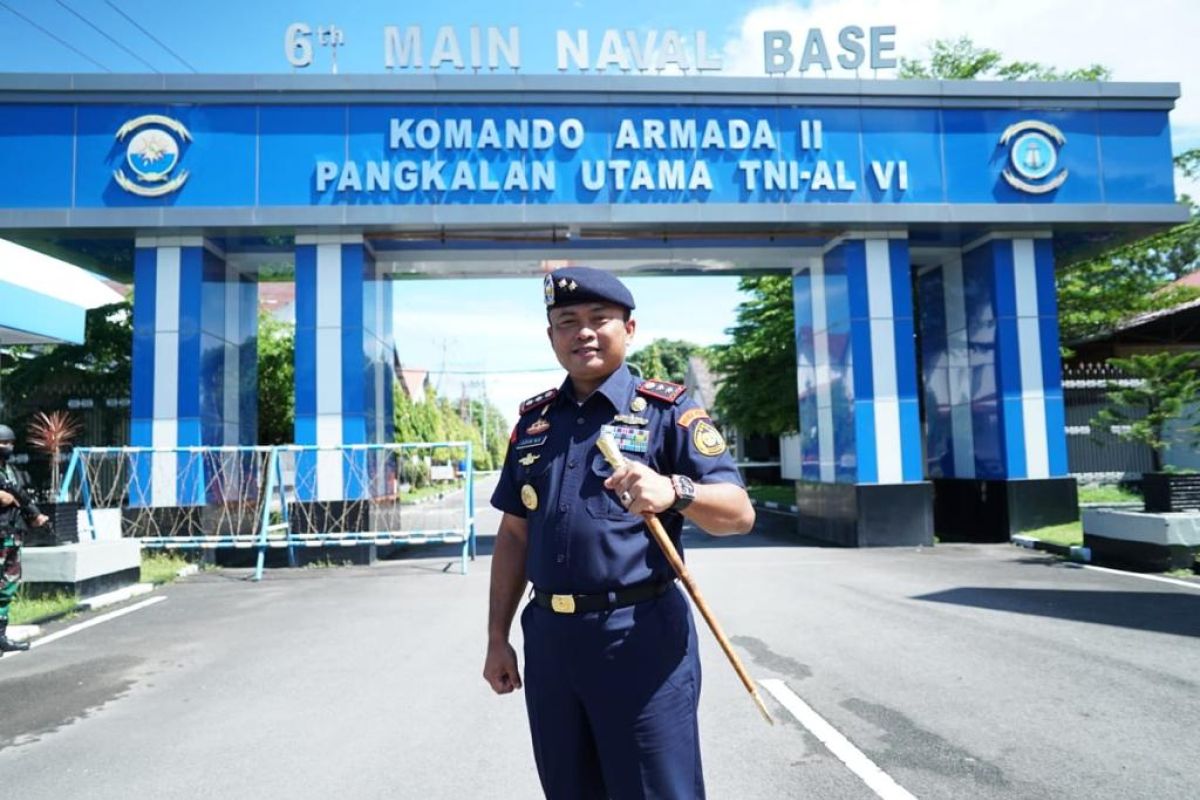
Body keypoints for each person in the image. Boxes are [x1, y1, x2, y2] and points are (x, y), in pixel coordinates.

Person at [483, 267, 755, 799]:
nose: (582, 331)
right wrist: (498, 637)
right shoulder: (534, 424)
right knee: (570, 789)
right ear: (551, 336)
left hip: (638, 636)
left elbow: (740, 512)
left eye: (598, 319)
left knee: (656, 791)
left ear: (629, 329)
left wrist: (675, 490)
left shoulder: (667, 411)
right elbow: (514, 536)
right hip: (551, 644)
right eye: (567, 321)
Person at [0, 423, 49, 654]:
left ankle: (0, 636)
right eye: (3, 443)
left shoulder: (10, 471)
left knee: (7, 586)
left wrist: (34, 515)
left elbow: (20, 498)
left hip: (12, 535)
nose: (7, 447)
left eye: (10, 443)